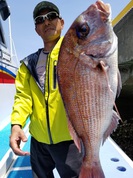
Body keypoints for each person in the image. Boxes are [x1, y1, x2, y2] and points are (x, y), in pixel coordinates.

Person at [9, 1, 83, 178]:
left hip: (70, 141)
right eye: (40, 19)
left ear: (61, 22)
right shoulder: (28, 64)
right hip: (38, 142)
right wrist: (16, 124)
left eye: (51, 16)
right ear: (36, 29)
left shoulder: (77, 54)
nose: (46, 22)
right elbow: (23, 97)